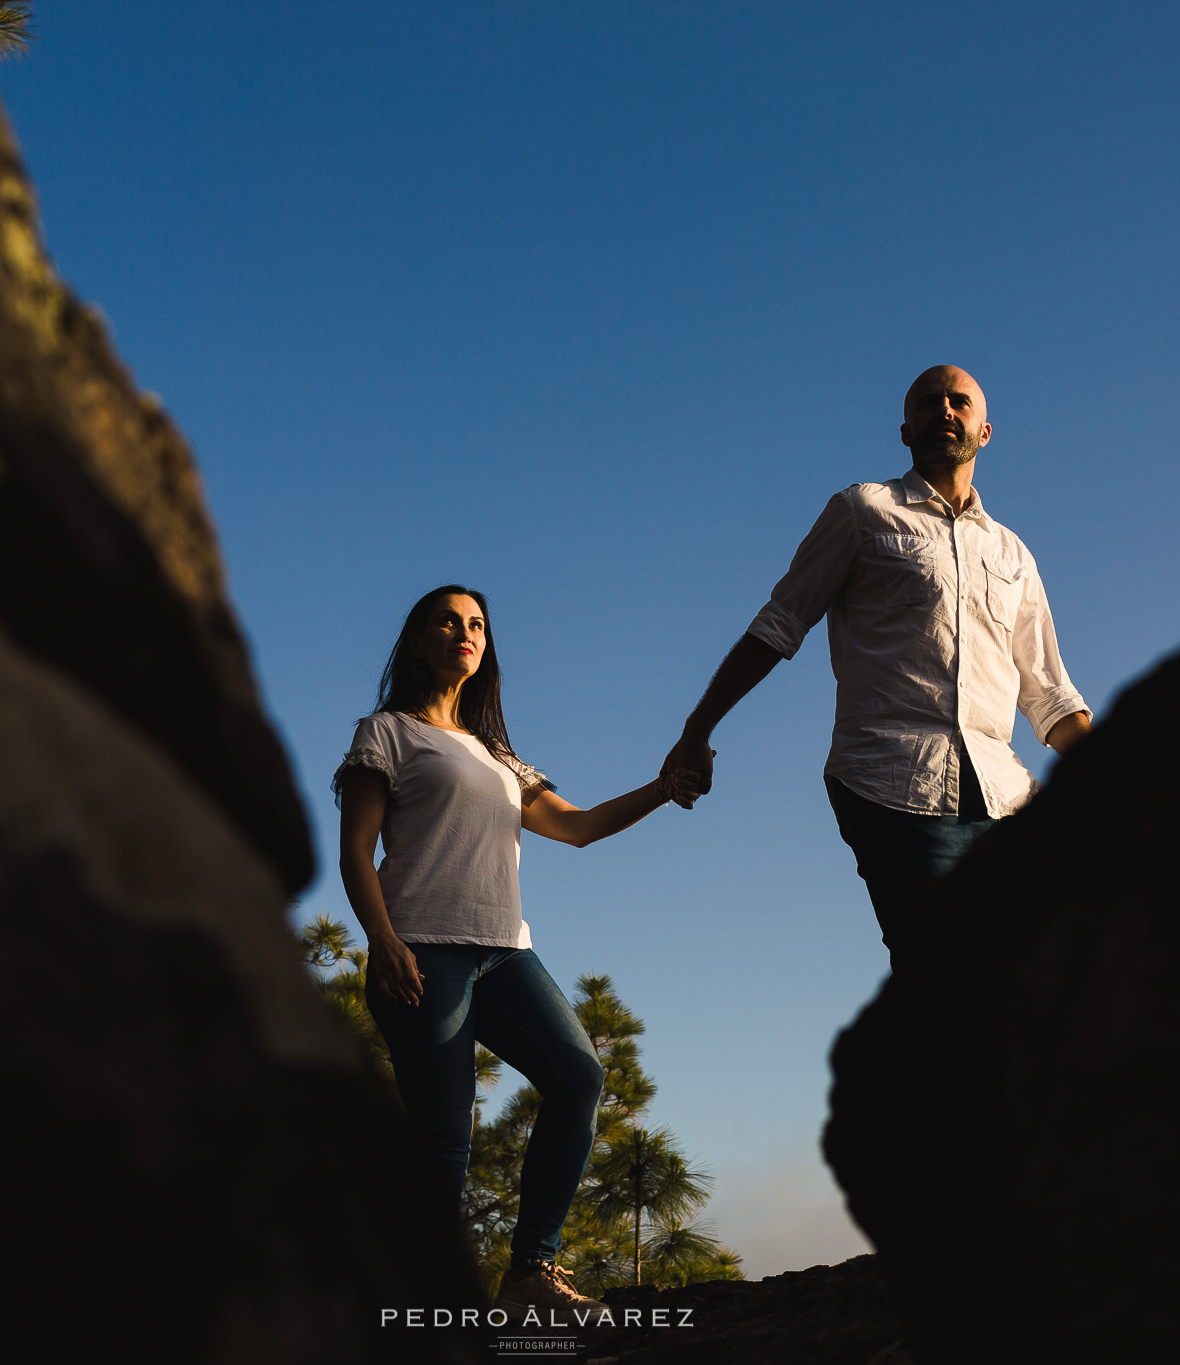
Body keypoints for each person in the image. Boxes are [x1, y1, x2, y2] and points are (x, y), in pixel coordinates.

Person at [335, 585, 696, 1314]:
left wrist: (664, 787)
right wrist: (382, 940)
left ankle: (531, 1271)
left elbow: (581, 825)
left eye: (476, 624)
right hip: (422, 946)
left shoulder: (499, 755)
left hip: (505, 953)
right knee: (444, 1141)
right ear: (415, 641)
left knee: (579, 1076)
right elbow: (355, 849)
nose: (465, 632)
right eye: (447, 619)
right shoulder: (387, 732)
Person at [659, 364, 1091, 953]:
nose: (945, 409)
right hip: (894, 785)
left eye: (959, 402)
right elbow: (780, 623)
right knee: (943, 977)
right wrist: (697, 727)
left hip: (1006, 798)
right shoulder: (863, 512)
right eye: (928, 402)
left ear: (984, 431)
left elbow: (1048, 694)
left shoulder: (1013, 553)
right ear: (905, 431)